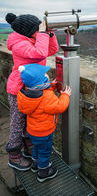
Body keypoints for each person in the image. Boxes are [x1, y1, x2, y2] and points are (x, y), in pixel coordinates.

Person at [5, 12, 59, 171]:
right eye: (38, 28)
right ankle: (14, 156)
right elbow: (40, 53)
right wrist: (42, 34)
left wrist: (49, 33)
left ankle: (29, 148)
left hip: (31, 88)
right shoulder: (19, 44)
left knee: (29, 120)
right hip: (18, 90)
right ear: (29, 31)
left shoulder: (32, 39)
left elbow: (51, 49)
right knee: (18, 122)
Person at [17, 63, 71, 182]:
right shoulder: (46, 97)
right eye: (45, 74)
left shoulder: (27, 91)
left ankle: (36, 165)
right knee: (45, 151)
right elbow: (59, 106)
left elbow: (41, 89)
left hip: (32, 131)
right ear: (41, 80)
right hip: (44, 132)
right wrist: (65, 95)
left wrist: (52, 85)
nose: (47, 74)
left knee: (37, 147)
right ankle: (43, 172)